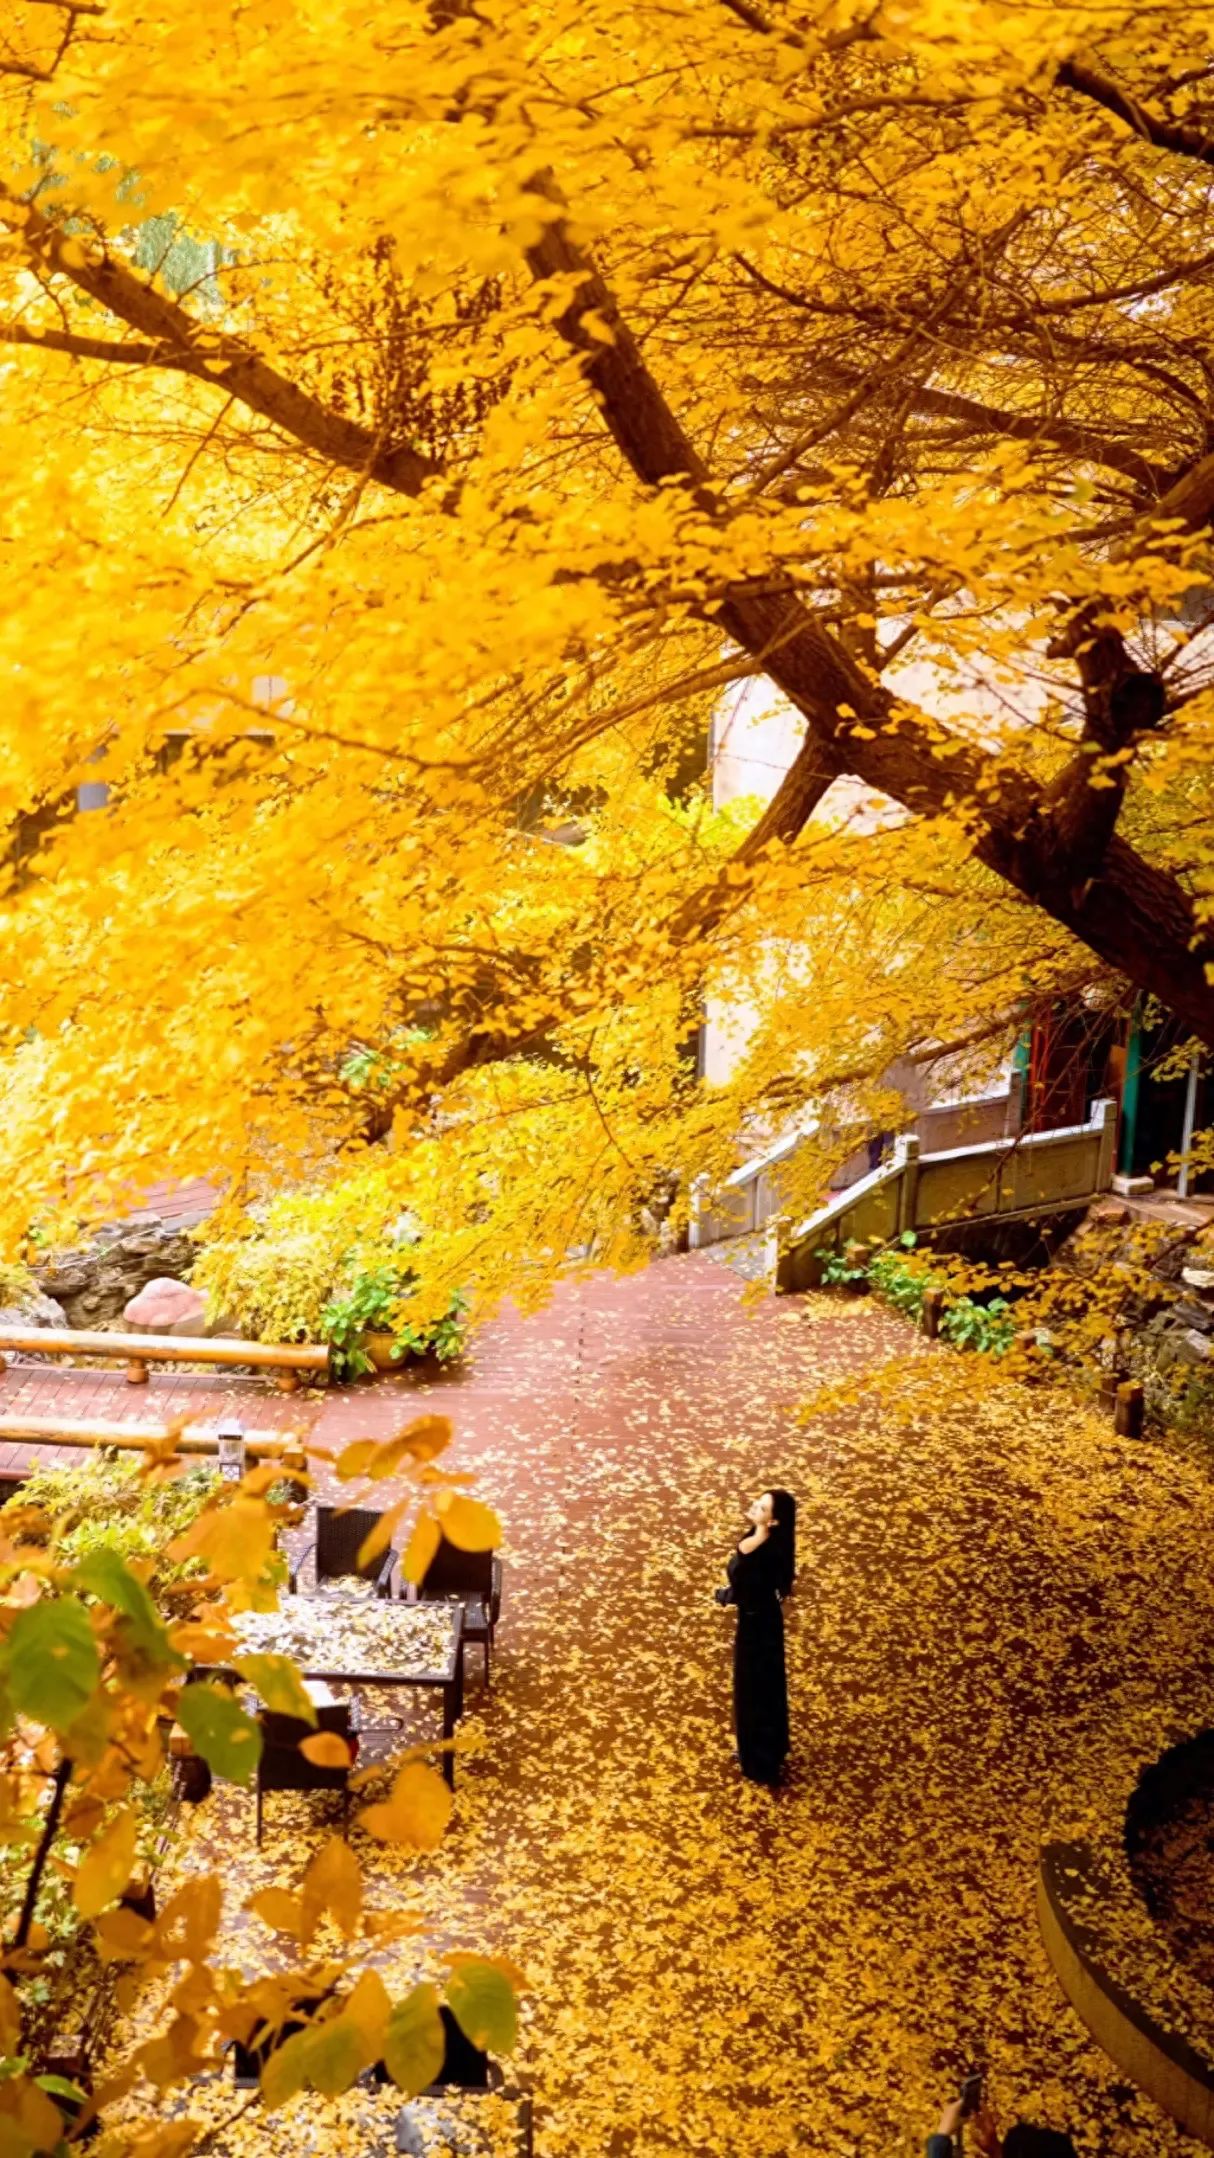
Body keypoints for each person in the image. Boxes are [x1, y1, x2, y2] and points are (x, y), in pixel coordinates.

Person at [714, 1487, 796, 1784]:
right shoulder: (772, 1542)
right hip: (764, 1620)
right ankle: (764, 1751)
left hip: (755, 1625)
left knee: (752, 1688)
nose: (754, 1507)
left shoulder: (759, 1548)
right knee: (765, 1687)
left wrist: (726, 1595)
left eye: (762, 1508)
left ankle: (759, 1760)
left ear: (773, 1521)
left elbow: (746, 1582)